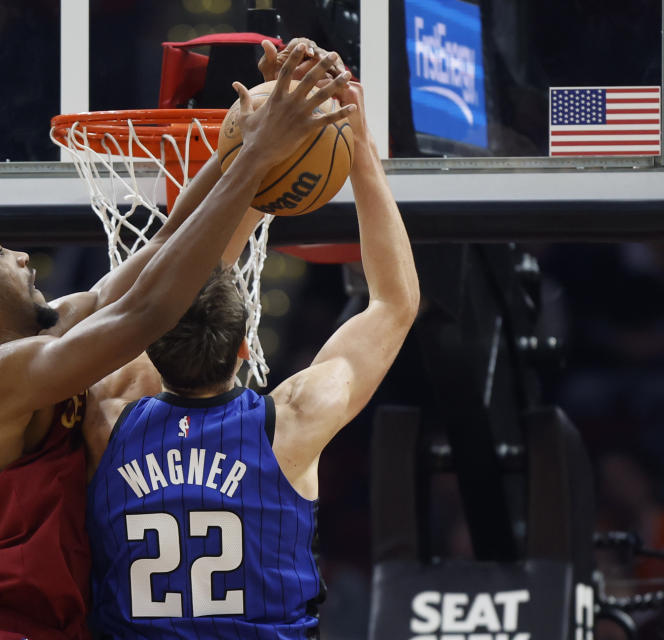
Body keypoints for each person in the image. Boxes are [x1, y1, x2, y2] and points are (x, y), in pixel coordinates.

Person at [0, 45, 351, 640]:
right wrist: (257, 157)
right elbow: (150, 312)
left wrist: (241, 144)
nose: (23, 255)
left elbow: (162, 249)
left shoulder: (51, 330)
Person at [84, 71, 420, 638]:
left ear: (147, 338)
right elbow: (394, 303)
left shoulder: (104, 419)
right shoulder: (290, 421)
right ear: (247, 343)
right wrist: (356, 147)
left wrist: (255, 158)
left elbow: (158, 298)